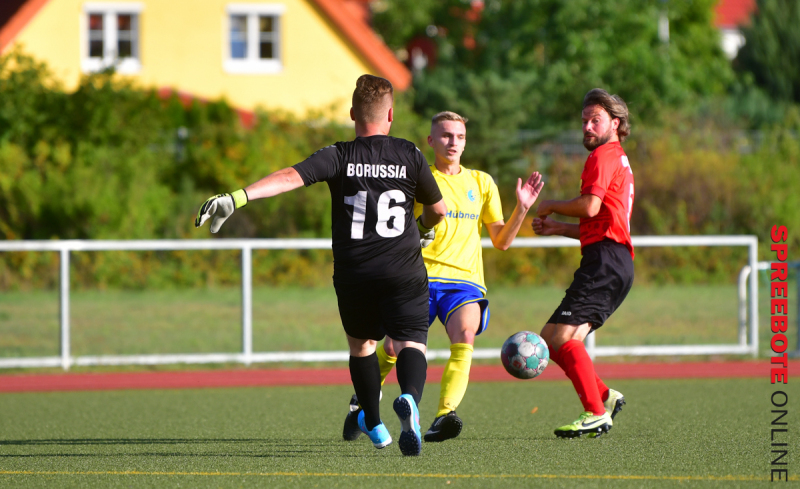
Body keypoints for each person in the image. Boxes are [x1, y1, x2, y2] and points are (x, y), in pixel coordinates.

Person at [195, 75, 447, 456]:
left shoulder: (339, 155)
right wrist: (422, 227)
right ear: (391, 115)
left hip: (355, 273)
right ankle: (409, 397)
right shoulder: (410, 154)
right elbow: (438, 210)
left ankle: (374, 423)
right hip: (404, 270)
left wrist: (238, 198)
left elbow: (289, 178)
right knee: (411, 341)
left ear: (352, 114)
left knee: (362, 346)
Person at [343, 111, 543, 443]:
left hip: (464, 282)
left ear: (465, 142)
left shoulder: (482, 183)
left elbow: (502, 241)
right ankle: (362, 402)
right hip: (417, 277)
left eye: (460, 136)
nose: (454, 142)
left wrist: (522, 208)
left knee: (465, 334)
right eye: (447, 135)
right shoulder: (417, 177)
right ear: (431, 140)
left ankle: (444, 415)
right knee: (391, 346)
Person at [532, 88, 634, 438]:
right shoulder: (616, 157)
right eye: (584, 121)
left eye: (596, 120)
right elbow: (601, 223)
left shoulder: (604, 155)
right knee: (549, 339)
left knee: (564, 336)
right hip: (608, 258)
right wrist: (559, 228)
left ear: (615, 123)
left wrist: (551, 204)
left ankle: (595, 412)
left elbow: (590, 206)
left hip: (606, 261)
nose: (588, 127)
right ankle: (603, 396)